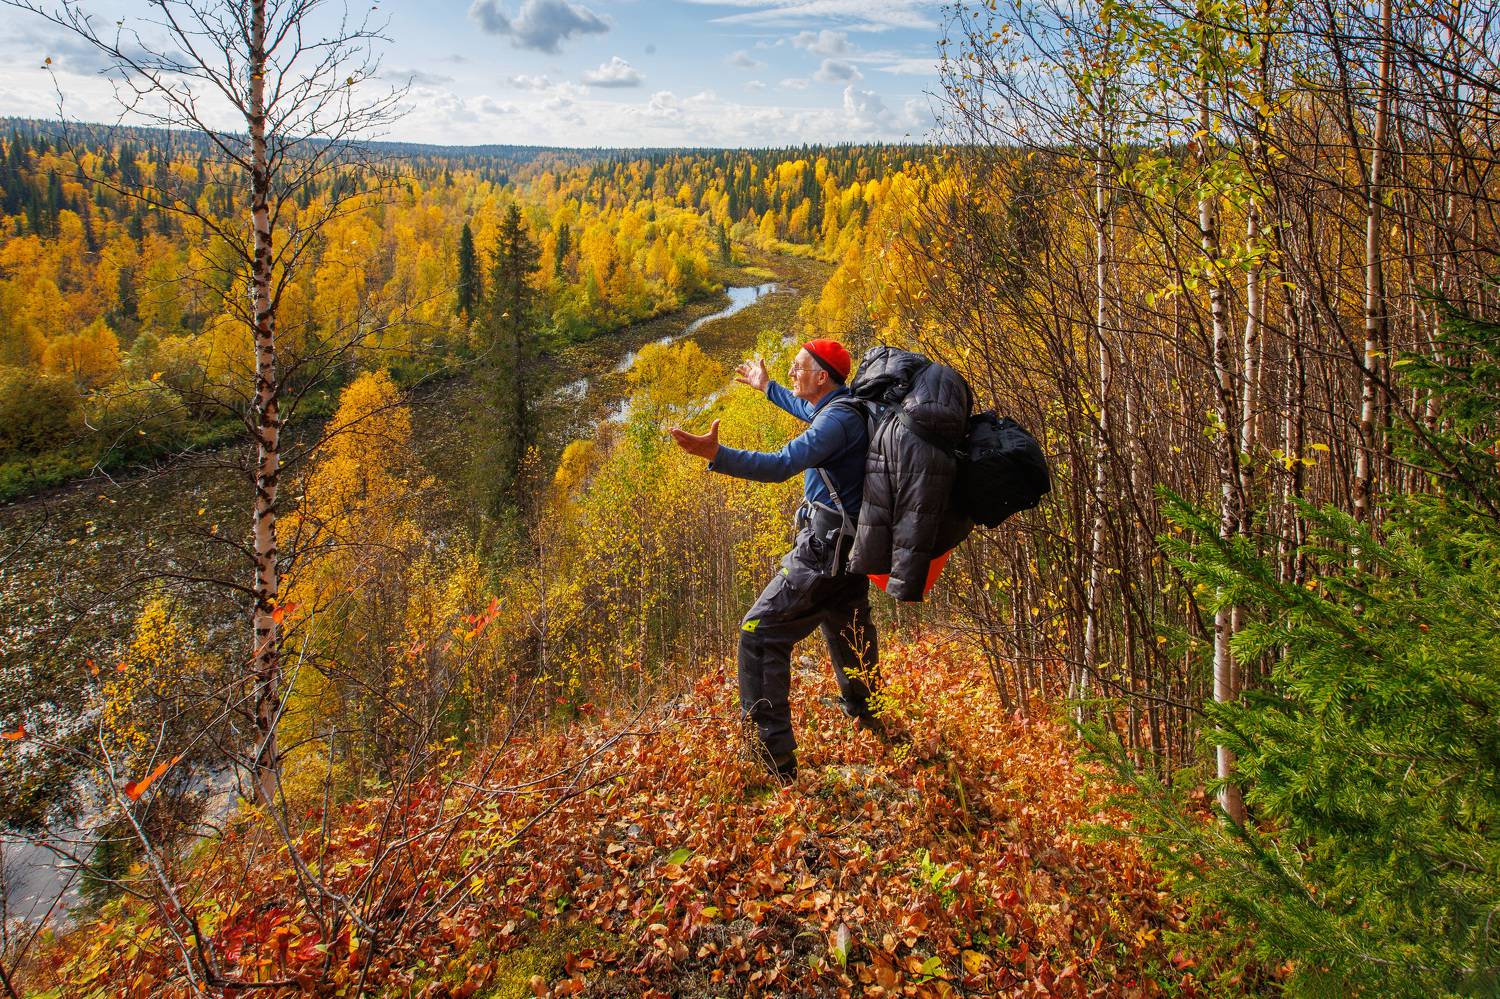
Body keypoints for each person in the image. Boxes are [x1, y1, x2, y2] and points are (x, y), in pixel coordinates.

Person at [669, 339, 881, 784]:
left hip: (823, 551)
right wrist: (767, 387)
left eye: (798, 367)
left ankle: (774, 758)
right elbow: (805, 410)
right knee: (848, 629)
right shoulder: (842, 409)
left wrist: (717, 455)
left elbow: (781, 464)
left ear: (821, 376)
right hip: (849, 549)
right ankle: (869, 717)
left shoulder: (836, 420)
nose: (792, 370)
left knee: (759, 632)